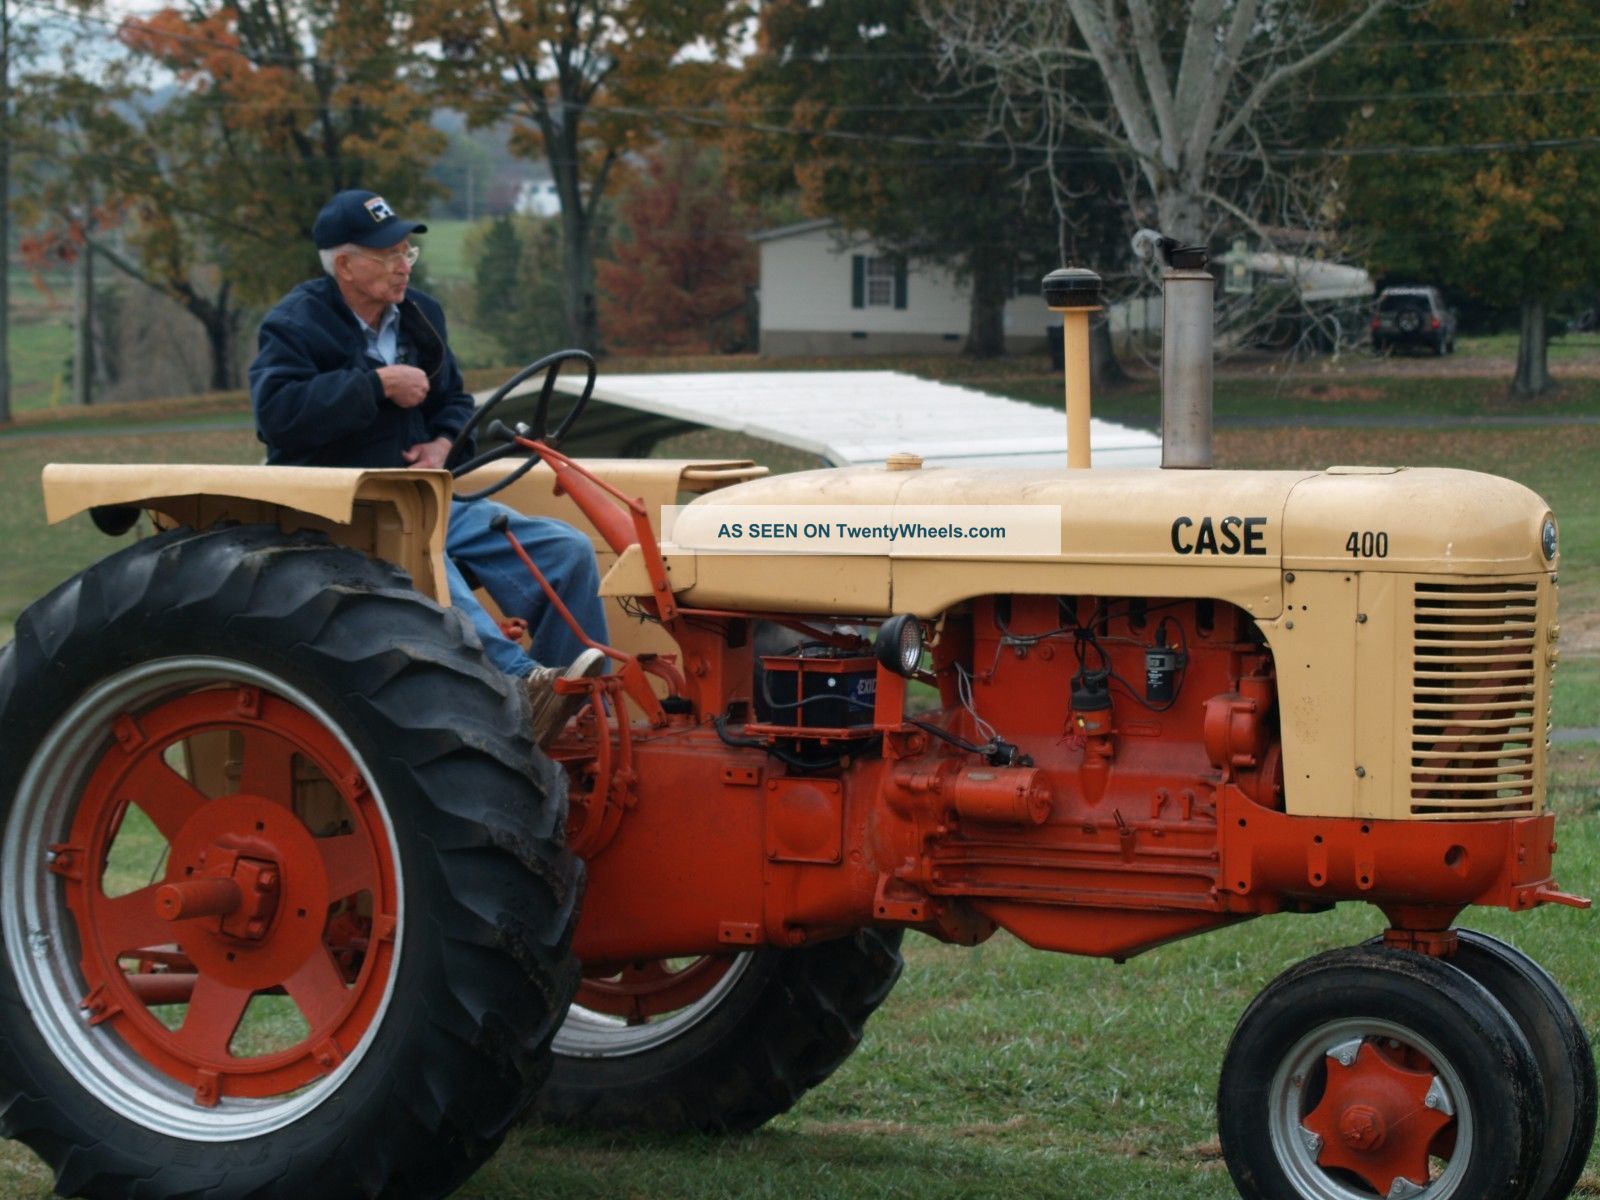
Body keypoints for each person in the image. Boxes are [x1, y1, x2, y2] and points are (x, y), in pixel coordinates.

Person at [249, 188, 608, 746]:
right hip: (352, 507)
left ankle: (571, 711)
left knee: (566, 552)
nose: (402, 267)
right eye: (388, 255)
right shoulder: (296, 324)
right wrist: (374, 385)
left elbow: (455, 405)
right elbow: (278, 416)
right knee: (431, 559)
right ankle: (520, 689)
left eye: (406, 253)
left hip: (430, 496)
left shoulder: (420, 317)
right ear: (344, 264)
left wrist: (444, 444)